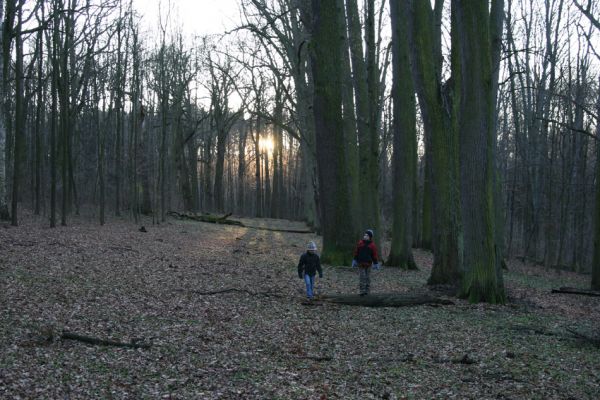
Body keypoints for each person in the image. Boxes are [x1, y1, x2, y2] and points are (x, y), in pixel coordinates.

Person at [352, 229, 380, 296]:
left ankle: (367, 291)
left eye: (367, 235)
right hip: (360, 263)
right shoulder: (360, 243)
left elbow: (374, 255)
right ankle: (362, 291)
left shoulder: (372, 245)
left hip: (368, 264)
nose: (365, 236)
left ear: (370, 237)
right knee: (362, 277)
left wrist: (376, 263)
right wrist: (354, 260)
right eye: (365, 235)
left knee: (368, 277)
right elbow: (356, 252)